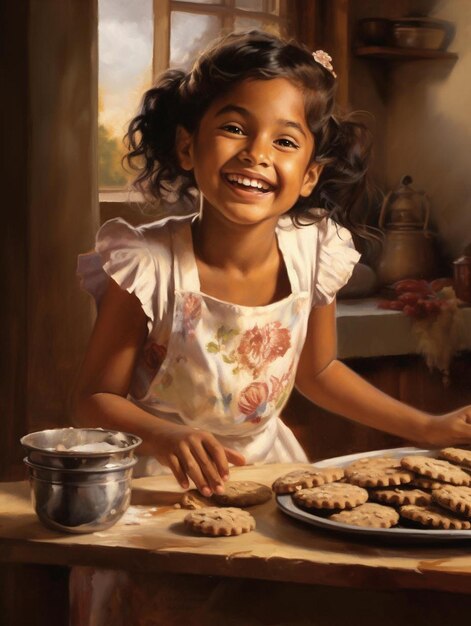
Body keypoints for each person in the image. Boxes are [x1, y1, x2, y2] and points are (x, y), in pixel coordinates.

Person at [75, 30, 471, 499]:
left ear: (308, 175)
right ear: (187, 147)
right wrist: (165, 437)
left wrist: (427, 427)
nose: (257, 153)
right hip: (159, 481)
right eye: (235, 128)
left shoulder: (312, 251)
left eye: (284, 141)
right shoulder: (146, 266)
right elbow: (93, 401)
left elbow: (318, 372)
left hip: (268, 476)